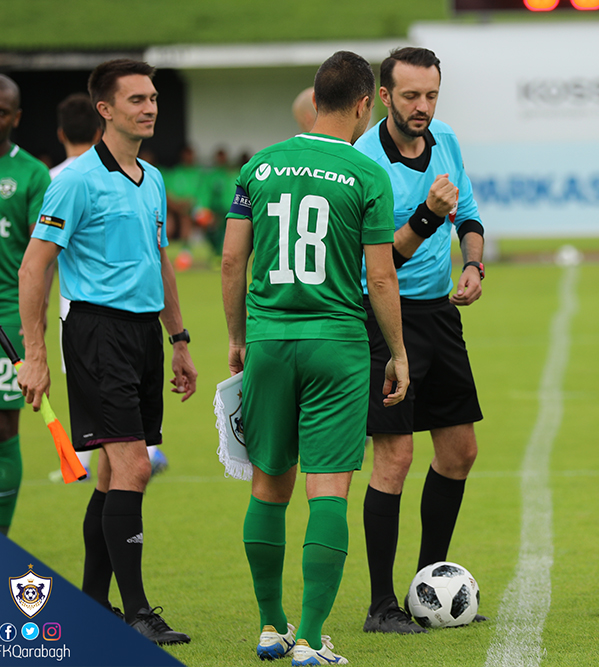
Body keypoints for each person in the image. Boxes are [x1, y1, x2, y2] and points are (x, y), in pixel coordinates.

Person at [223, 50, 409, 665]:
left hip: (269, 340)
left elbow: (232, 260)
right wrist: (398, 352)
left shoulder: (258, 166)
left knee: (268, 484)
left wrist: (237, 337)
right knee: (328, 488)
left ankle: (269, 626)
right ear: (364, 104)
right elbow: (380, 277)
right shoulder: (367, 173)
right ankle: (308, 636)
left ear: (314, 96)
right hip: (337, 344)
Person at [16, 58, 197, 644]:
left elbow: (161, 260)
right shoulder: (74, 180)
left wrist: (179, 340)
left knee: (110, 473)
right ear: (105, 109)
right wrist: (36, 355)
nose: (150, 107)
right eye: (137, 99)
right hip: (97, 334)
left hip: (144, 335)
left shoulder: (154, 178)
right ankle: (138, 613)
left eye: (153, 98)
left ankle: (93, 603)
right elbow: (34, 268)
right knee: (135, 467)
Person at [354, 46, 486, 634]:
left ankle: (426, 588)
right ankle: (381, 605)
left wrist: (473, 265)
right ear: (384, 96)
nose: (422, 107)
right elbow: (378, 265)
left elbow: (470, 214)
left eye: (431, 95)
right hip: (385, 316)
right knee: (395, 457)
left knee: (459, 452)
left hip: (439, 314)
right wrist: (429, 215)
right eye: (410, 96)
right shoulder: (365, 163)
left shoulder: (446, 140)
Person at [0, 74, 51, 536]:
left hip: (2, 320)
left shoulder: (32, 175)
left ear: (15, 118)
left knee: (1, 429)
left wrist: (33, 325)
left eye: (0, 112)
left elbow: (43, 258)